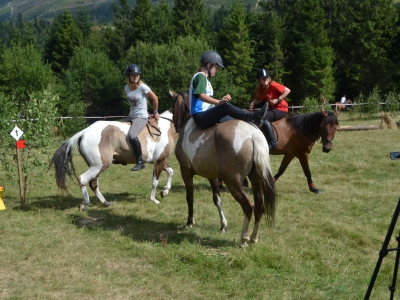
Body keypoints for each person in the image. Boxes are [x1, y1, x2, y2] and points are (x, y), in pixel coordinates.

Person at [189, 51, 268, 130]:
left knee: (233, 119)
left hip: (206, 114)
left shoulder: (205, 80)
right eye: (216, 68)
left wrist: (221, 100)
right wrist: (219, 102)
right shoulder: (200, 77)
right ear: (209, 65)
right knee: (224, 106)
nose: (217, 71)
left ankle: (250, 120)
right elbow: (202, 96)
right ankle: (253, 116)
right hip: (200, 117)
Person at [114, 63, 159, 171]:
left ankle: (140, 161)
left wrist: (155, 112)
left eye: (137, 75)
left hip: (141, 117)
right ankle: (122, 158)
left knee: (132, 135)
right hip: (131, 115)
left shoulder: (143, 87)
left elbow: (155, 98)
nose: (136, 77)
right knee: (119, 132)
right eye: (133, 75)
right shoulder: (126, 88)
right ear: (128, 76)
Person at [249, 68, 291, 149]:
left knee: (263, 118)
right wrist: (253, 103)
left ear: (269, 78)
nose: (265, 80)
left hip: (281, 108)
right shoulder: (259, 89)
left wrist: (277, 99)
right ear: (259, 80)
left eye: (267, 78)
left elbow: (287, 90)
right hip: (272, 109)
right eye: (263, 78)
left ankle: (273, 142)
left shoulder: (273, 85)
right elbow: (258, 100)